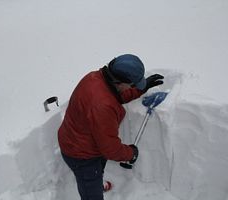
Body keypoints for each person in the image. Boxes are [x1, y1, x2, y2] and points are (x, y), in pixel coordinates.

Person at [58, 54, 164, 200]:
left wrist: (141, 88)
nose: (132, 87)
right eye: (132, 85)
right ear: (120, 82)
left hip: (81, 138)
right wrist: (130, 153)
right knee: (91, 189)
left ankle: (96, 183)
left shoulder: (95, 78)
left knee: (98, 168)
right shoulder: (103, 107)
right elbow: (110, 149)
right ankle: (93, 189)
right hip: (81, 155)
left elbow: (115, 95)